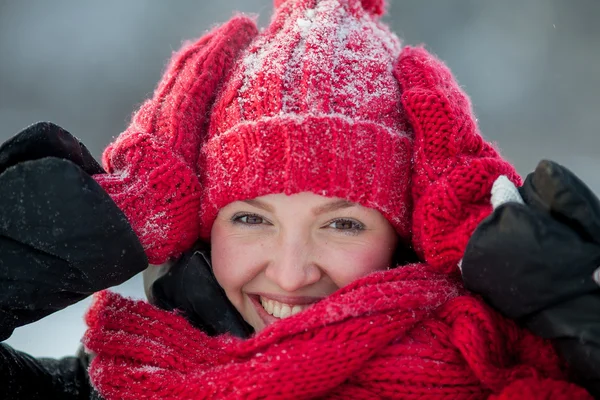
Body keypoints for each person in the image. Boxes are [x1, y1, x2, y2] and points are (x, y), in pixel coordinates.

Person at [0, 0, 598, 398]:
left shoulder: (506, 370)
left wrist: (578, 320)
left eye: (342, 225)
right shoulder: (120, 384)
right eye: (251, 218)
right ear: (200, 226)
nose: (289, 274)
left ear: (408, 229)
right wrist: (101, 217)